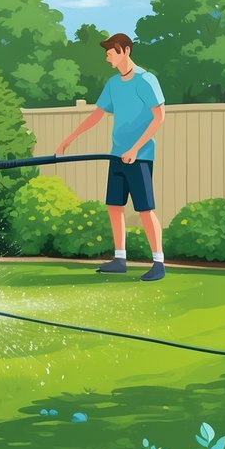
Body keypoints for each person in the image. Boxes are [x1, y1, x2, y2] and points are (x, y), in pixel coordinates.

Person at [56, 33, 166, 281]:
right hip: (116, 155)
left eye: (110, 53)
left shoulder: (146, 80)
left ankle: (158, 263)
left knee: (145, 209)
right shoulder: (113, 84)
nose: (107, 58)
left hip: (140, 157)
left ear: (125, 51)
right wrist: (69, 139)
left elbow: (159, 117)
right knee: (114, 207)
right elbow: (96, 115)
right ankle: (120, 258)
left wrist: (136, 149)